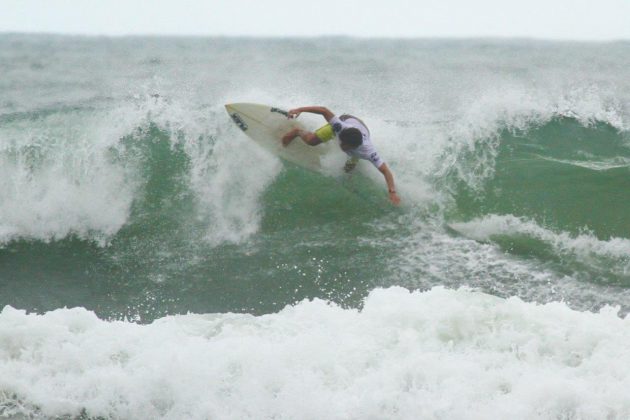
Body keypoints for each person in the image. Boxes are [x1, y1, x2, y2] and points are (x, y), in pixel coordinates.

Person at [281, 106, 400, 205]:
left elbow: (385, 171)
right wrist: (299, 109)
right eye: (341, 142)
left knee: (348, 169)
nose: (341, 146)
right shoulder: (340, 127)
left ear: (354, 147)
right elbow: (324, 110)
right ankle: (297, 132)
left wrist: (392, 192)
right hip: (348, 120)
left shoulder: (368, 152)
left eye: (345, 146)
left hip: (361, 131)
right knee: (311, 141)